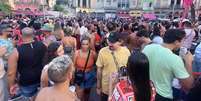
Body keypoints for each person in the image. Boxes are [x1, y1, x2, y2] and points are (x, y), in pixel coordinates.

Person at [142, 29, 194, 101]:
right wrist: (188, 62)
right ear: (176, 42)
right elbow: (188, 85)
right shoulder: (175, 59)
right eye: (182, 41)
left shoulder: (148, 47)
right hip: (163, 96)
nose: (182, 44)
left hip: (146, 90)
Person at [7, 27, 47, 100]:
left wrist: (11, 85)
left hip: (27, 82)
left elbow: (11, 73)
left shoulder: (16, 51)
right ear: (33, 35)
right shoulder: (43, 45)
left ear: (21, 36)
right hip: (42, 78)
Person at [96, 32, 130, 101]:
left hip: (120, 89)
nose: (110, 44)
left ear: (120, 42)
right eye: (109, 41)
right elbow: (99, 70)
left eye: (113, 42)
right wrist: (98, 86)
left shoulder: (126, 51)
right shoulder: (102, 52)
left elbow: (128, 68)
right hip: (106, 88)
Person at [74, 37, 97, 101]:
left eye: (86, 44)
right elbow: (73, 65)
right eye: (83, 44)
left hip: (89, 76)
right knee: (79, 96)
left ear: (89, 44)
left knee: (87, 93)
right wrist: (72, 76)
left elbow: (97, 64)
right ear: (80, 44)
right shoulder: (77, 53)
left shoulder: (93, 53)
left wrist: (94, 74)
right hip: (79, 76)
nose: (84, 46)